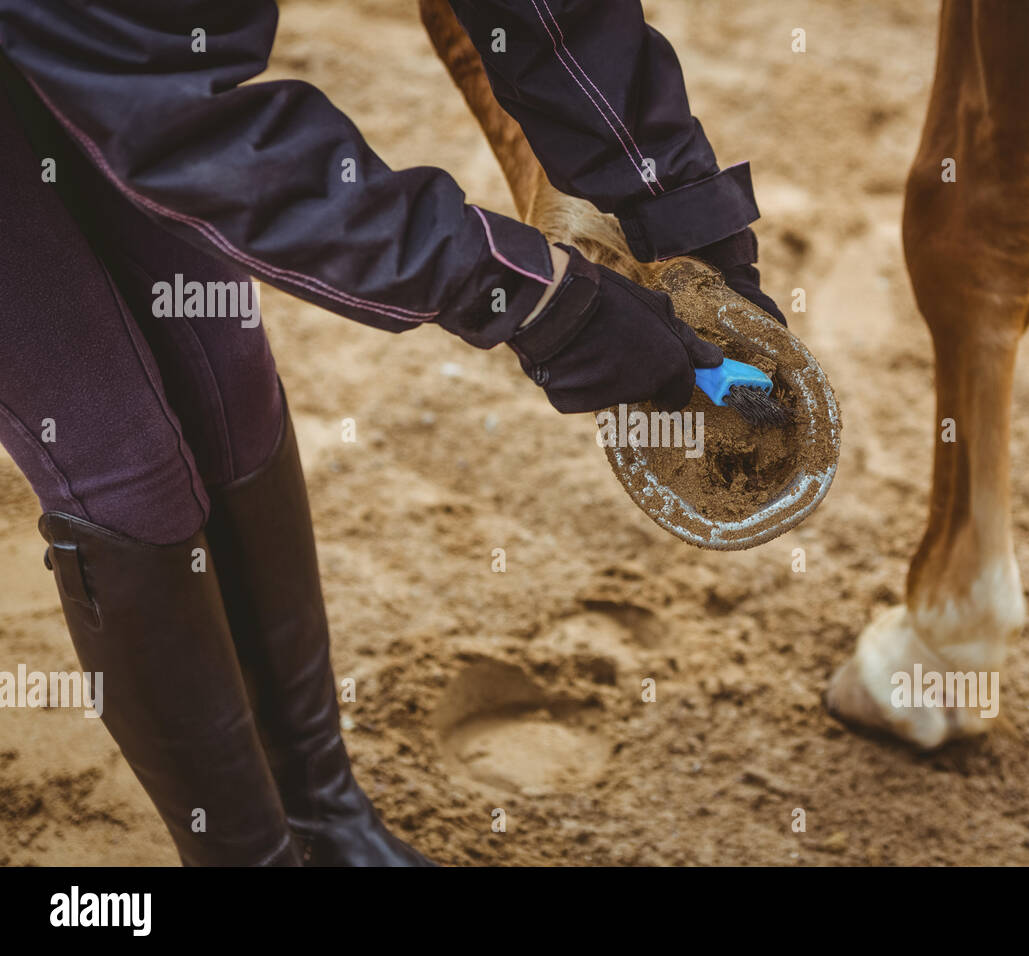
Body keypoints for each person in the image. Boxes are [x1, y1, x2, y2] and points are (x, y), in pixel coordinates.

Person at [0, 0, 781, 866]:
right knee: (124, 458)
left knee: (230, 387)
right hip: (118, 58)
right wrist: (534, 300)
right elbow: (185, 133)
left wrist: (680, 208)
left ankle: (329, 822)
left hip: (121, 52)